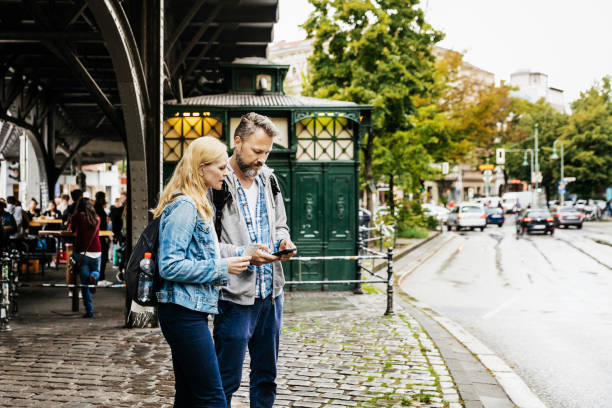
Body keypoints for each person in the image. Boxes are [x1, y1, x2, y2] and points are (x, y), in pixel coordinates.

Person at [153, 136, 252, 407]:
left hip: (187, 310)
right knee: (212, 397)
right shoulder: (186, 206)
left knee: (188, 395)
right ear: (200, 169)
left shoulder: (196, 202)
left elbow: (201, 252)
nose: (226, 172)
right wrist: (223, 267)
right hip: (182, 313)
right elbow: (170, 265)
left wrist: (242, 254)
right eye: (220, 168)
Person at [213, 112, 296, 407]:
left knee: (266, 377)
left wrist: (283, 242)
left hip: (271, 297)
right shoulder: (217, 184)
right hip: (233, 298)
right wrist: (244, 255)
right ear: (238, 142)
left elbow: (280, 226)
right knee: (226, 379)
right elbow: (207, 246)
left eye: (267, 152)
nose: (261, 159)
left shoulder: (269, 179)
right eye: (256, 151)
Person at [69, 198, 101, 318]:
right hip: (97, 251)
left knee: (84, 285)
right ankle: (94, 276)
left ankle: (89, 311)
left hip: (82, 253)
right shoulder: (97, 217)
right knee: (96, 271)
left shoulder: (76, 217)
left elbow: (71, 230)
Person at [94, 191, 111, 285]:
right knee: (103, 257)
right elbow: (101, 225)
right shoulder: (98, 209)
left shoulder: (96, 208)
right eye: (104, 197)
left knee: (99, 257)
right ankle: (101, 278)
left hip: (99, 236)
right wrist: (105, 236)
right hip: (101, 236)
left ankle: (99, 277)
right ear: (101, 198)